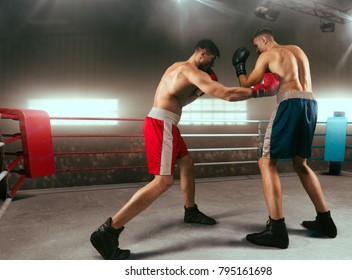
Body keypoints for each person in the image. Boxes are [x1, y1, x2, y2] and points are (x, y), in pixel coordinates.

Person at [90, 39, 265, 260]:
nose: (212, 66)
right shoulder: (192, 71)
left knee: (187, 163)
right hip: (161, 124)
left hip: (167, 123)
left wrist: (198, 93)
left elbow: (179, 101)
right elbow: (227, 94)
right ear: (202, 52)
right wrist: (258, 91)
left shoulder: (177, 67)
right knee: (162, 182)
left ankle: (190, 210)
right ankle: (109, 231)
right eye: (211, 60)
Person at [232, 28, 337, 249]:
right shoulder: (297, 50)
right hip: (310, 103)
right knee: (301, 163)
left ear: (263, 39)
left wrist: (239, 67)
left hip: (289, 103)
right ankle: (325, 221)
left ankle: (277, 229)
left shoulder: (268, 55)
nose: (257, 49)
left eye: (256, 45)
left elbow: (246, 84)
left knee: (266, 161)